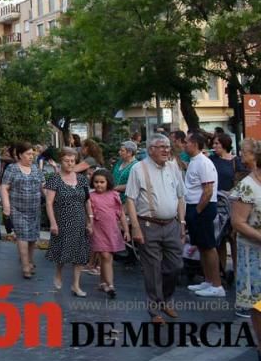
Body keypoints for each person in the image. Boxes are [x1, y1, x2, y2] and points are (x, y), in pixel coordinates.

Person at [125, 133, 186, 323]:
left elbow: (181, 196)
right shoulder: (138, 169)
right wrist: (135, 227)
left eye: (168, 146)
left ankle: (165, 299)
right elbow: (130, 200)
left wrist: (182, 223)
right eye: (161, 147)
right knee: (152, 269)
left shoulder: (173, 166)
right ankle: (154, 311)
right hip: (148, 225)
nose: (166, 150)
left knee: (176, 266)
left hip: (171, 225)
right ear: (151, 149)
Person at [44, 147, 93, 296]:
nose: (70, 164)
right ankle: (59, 272)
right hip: (62, 220)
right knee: (63, 251)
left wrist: (90, 220)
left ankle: (75, 285)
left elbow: (87, 201)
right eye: (67, 161)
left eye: (72, 161)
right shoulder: (54, 179)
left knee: (79, 254)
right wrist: (52, 222)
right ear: (61, 161)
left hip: (80, 220)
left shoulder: (82, 179)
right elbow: (49, 203)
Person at [184, 131, 225, 298]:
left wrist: (198, 211)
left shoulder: (203, 162)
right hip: (194, 207)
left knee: (208, 246)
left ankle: (217, 285)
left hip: (202, 208)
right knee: (201, 245)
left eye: (186, 142)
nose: (184, 144)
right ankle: (208, 280)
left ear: (194, 144)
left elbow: (208, 190)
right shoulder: (194, 162)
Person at [0, 143, 45, 279]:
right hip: (18, 209)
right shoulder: (12, 169)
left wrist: (51, 198)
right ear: (20, 155)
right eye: (28, 154)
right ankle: (25, 266)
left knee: (32, 237)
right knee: (23, 237)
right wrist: (6, 206)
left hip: (34, 209)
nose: (31, 156)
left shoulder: (36, 169)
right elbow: (4, 187)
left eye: (33, 154)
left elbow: (43, 186)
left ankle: (30, 261)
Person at [230, 139, 261, 331]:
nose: (241, 155)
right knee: (259, 302)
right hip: (254, 253)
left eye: (245, 152)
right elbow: (238, 222)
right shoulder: (247, 186)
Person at [212, 132, 247, 282]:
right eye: (213, 144)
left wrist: (232, 192)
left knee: (233, 238)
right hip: (217, 203)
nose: (214, 146)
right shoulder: (211, 160)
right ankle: (221, 271)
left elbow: (241, 180)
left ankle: (237, 270)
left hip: (231, 203)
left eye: (217, 144)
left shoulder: (235, 161)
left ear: (225, 145)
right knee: (219, 238)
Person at [89, 169, 128, 298]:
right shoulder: (91, 196)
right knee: (105, 256)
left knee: (107, 257)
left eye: (102, 182)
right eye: (96, 182)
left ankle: (102, 282)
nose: (99, 185)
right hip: (98, 230)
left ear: (108, 182)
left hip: (111, 230)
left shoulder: (114, 195)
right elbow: (88, 214)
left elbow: (121, 213)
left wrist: (126, 230)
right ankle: (110, 285)